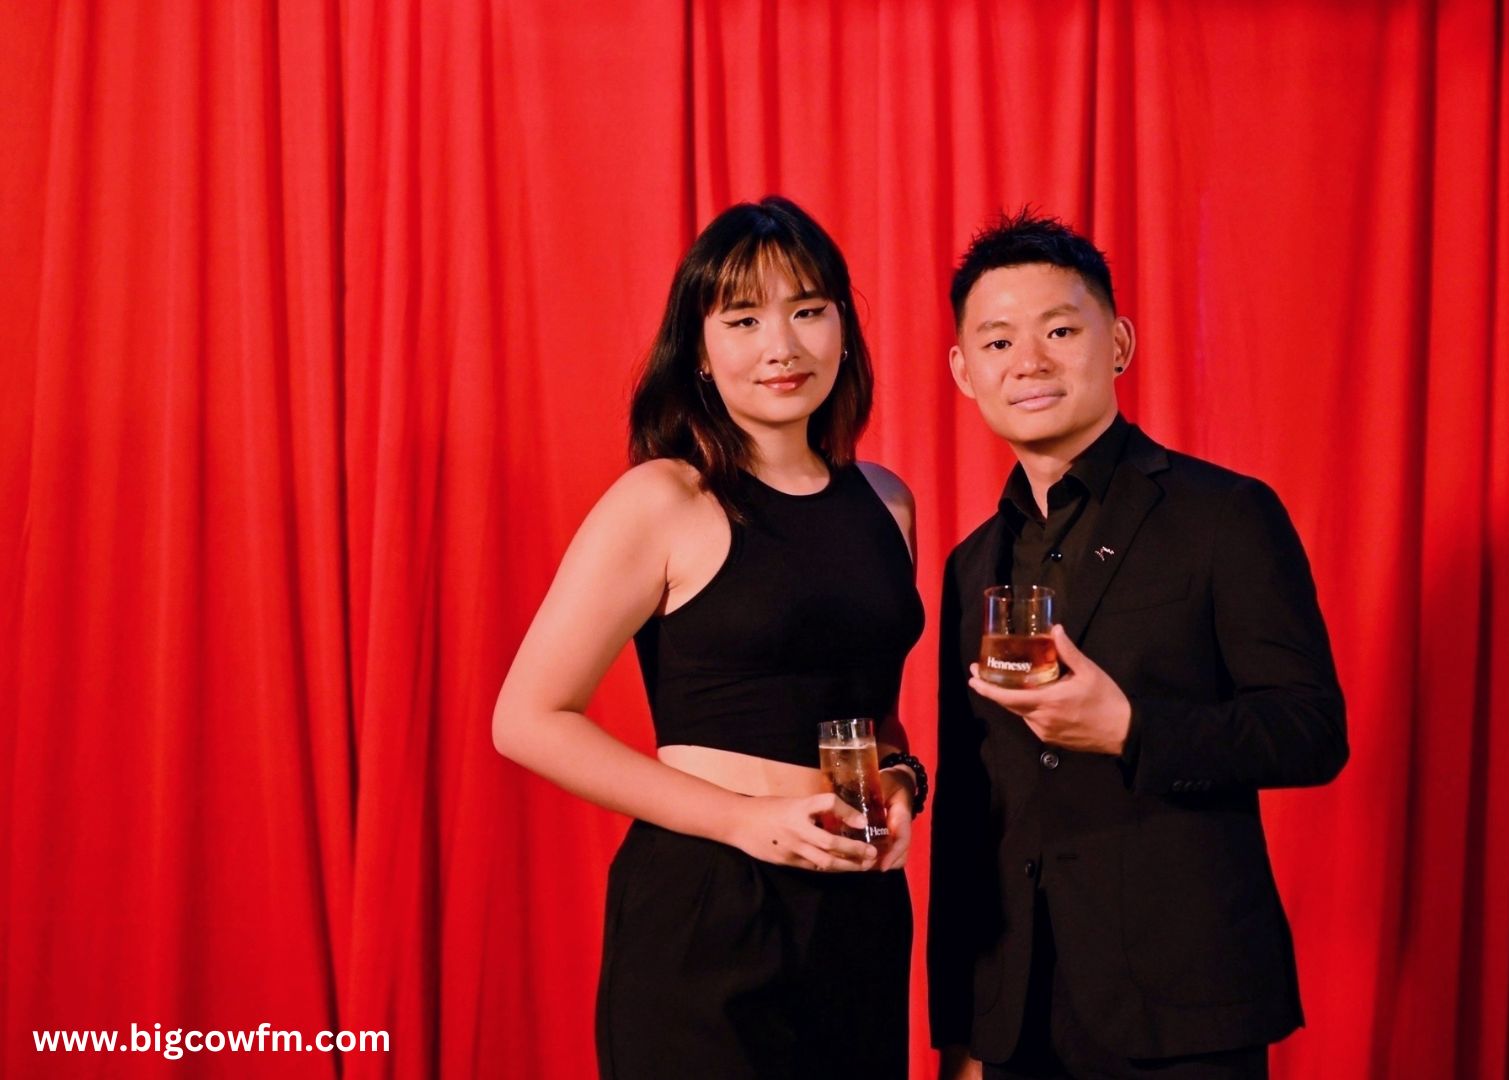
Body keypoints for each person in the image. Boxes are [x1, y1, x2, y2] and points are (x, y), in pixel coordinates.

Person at [493, 196, 927, 1080]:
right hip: (709, 901)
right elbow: (527, 720)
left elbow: (871, 710)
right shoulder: (664, 498)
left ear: (844, 328)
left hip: (859, 908)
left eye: (808, 310)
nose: (782, 346)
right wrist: (746, 822)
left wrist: (903, 782)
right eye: (744, 319)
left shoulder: (886, 502)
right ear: (698, 350)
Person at [926, 210, 1348, 1080]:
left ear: (1117, 343)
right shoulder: (970, 564)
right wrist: (960, 1029)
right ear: (965, 371)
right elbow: (969, 807)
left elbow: (1311, 731)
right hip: (1015, 1014)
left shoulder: (1225, 515)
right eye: (998, 342)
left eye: (1059, 331)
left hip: (1183, 1005)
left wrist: (1130, 728)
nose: (1029, 362)